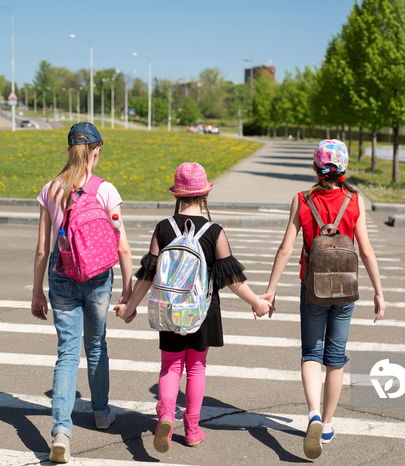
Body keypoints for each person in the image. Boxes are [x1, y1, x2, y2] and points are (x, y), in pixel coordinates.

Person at [114, 162, 273, 453]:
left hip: (169, 309)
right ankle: (192, 429)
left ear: (178, 194)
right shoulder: (215, 232)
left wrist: (128, 308)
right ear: (203, 196)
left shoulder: (164, 228)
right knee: (196, 368)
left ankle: (165, 416)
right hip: (203, 311)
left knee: (170, 366)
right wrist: (258, 302)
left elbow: (147, 277)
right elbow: (232, 279)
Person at [261, 139, 385, 460]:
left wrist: (270, 290)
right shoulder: (355, 201)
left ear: (315, 168)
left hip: (312, 287)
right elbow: (367, 251)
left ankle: (313, 413)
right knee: (336, 357)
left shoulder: (301, 200)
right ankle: (327, 425)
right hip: (346, 289)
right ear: (344, 169)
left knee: (311, 354)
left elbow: (286, 249)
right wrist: (379, 293)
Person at [30, 122, 133, 464]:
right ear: (96, 151)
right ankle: (102, 413)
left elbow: (43, 249)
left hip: (61, 277)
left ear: (69, 149)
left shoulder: (50, 189)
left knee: (66, 354)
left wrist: (37, 292)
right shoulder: (106, 191)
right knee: (96, 343)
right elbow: (123, 247)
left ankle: (61, 432)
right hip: (99, 278)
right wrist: (130, 290)